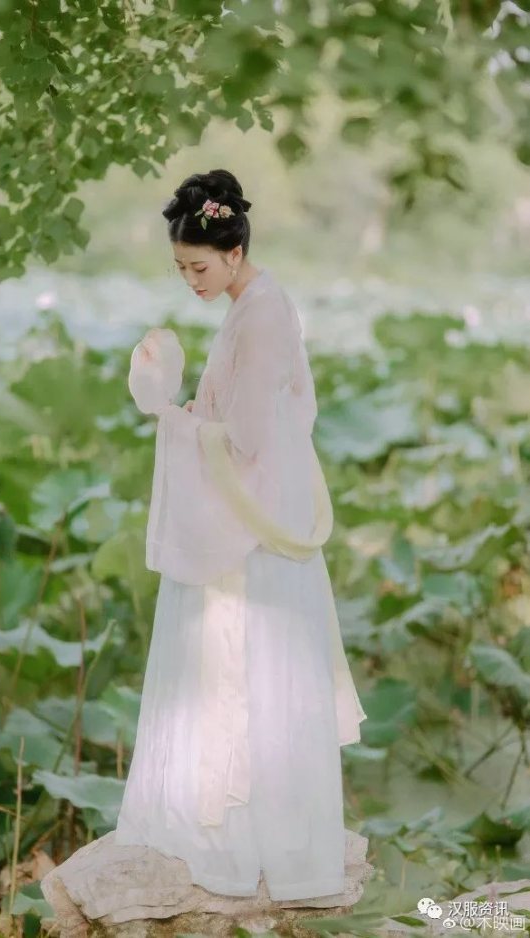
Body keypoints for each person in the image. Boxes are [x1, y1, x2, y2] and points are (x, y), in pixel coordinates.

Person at [115, 168, 366, 901]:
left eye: (198, 267)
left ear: (233, 252)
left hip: (249, 528)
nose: (189, 280)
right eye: (179, 268)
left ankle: (243, 839)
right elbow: (259, 416)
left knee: (238, 674)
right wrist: (189, 405)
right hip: (254, 513)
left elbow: (249, 437)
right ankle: (246, 833)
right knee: (242, 678)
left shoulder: (260, 315)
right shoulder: (256, 302)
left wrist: (169, 415)